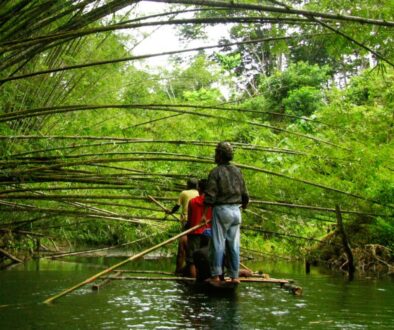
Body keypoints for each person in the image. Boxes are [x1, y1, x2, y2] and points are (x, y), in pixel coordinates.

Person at [201, 142, 249, 284]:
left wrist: (204, 214)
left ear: (221, 155)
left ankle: (216, 276)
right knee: (234, 245)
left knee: (218, 244)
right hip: (236, 211)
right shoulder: (238, 171)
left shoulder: (216, 172)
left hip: (222, 210)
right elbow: (245, 193)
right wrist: (244, 205)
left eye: (216, 153)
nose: (215, 155)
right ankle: (234, 277)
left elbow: (210, 195)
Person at [166, 178, 199, 274]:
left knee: (183, 245)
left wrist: (170, 212)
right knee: (193, 243)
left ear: (188, 185)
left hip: (186, 220)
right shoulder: (199, 193)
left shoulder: (184, 193)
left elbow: (177, 206)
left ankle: (179, 270)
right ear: (197, 186)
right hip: (197, 221)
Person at [185, 179, 212, 278]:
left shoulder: (192, 202)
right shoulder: (212, 203)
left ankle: (193, 281)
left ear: (198, 188)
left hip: (194, 233)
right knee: (207, 257)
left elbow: (189, 220)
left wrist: (186, 229)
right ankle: (206, 278)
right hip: (209, 233)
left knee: (191, 259)